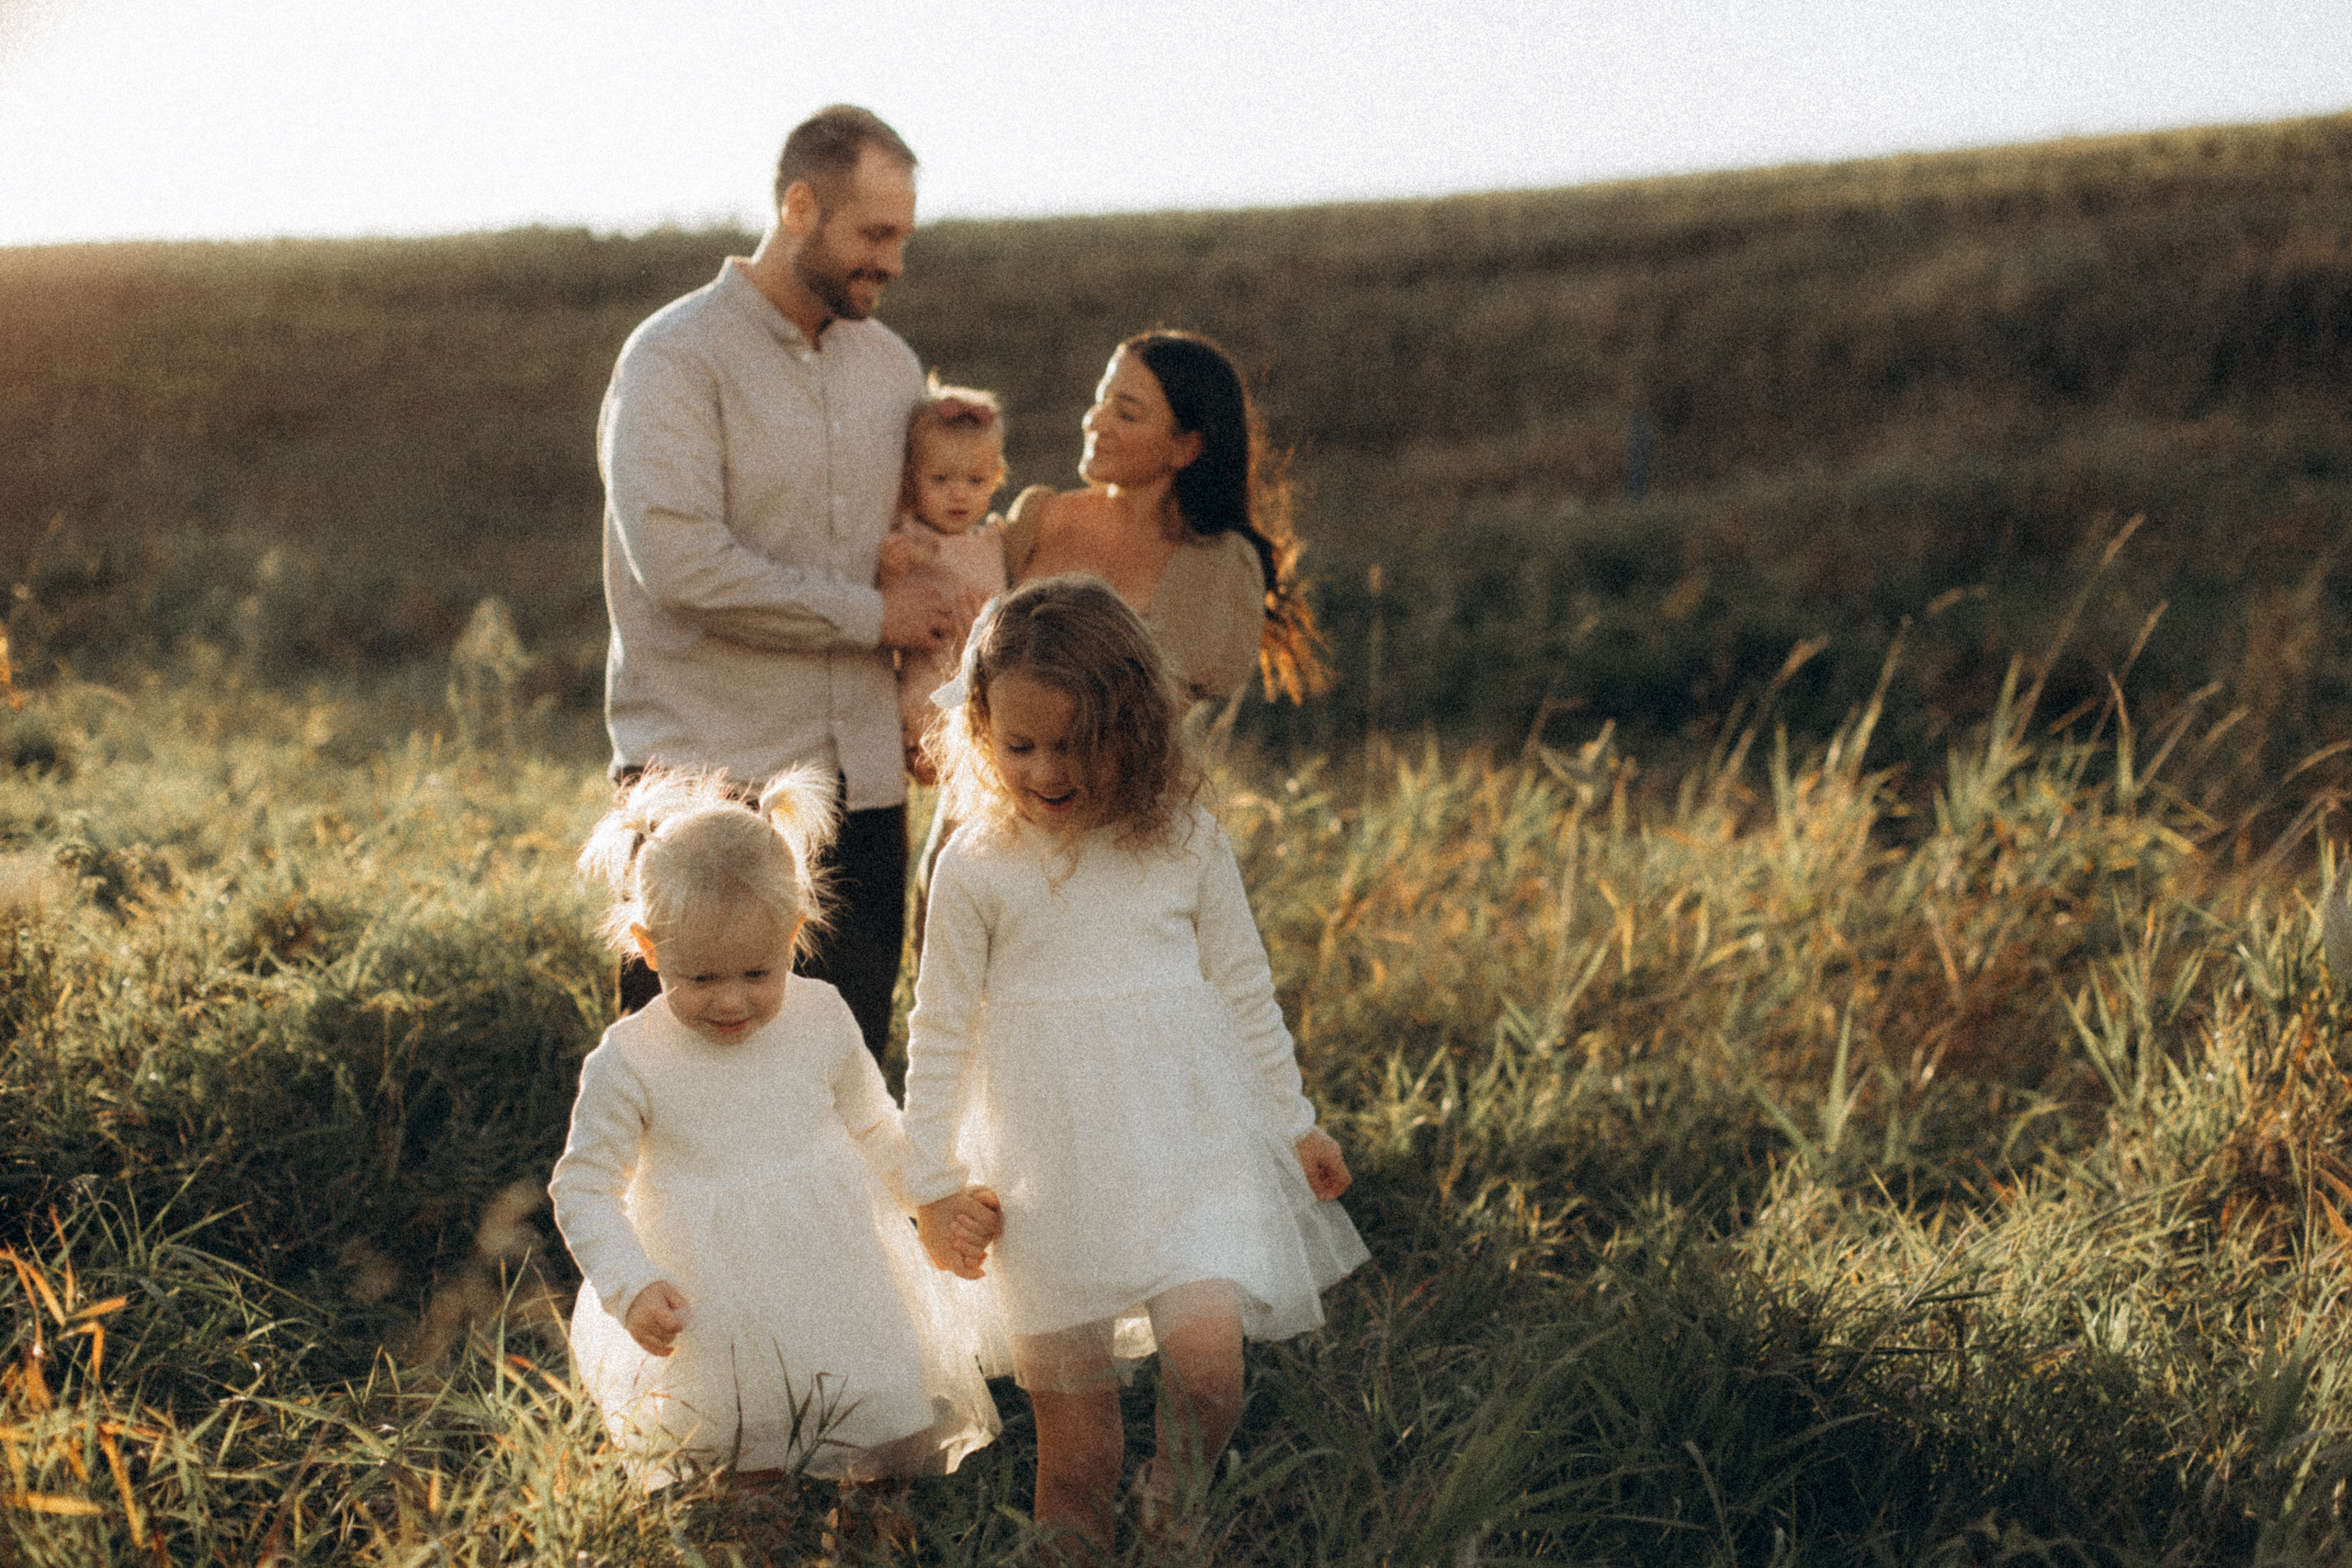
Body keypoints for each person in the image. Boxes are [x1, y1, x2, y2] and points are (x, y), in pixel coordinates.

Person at [899, 576, 1368, 1560]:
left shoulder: (1184, 841)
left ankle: (1174, 1497)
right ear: (982, 732)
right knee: (1075, 1448)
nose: (1046, 770)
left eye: (1074, 743)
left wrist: (1297, 1124)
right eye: (1018, 745)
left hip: (1184, 1152)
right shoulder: (977, 863)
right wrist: (933, 1184)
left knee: (1209, 1366)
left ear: (1135, 727)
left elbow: (1244, 989)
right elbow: (937, 1032)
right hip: (1046, 1177)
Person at [598, 104, 957, 1056]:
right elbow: (680, 566)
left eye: (902, 238)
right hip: (712, 789)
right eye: (874, 233)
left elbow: (925, 545)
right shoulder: (675, 358)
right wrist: (871, 613)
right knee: (684, 1094)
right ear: (799, 205)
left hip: (864, 796)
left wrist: (928, 688)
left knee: (842, 1086)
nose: (892, 260)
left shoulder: (893, 369)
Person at [549, 764, 1004, 1493]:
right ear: (649, 946)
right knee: (744, 1454)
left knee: (893, 1426)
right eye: (700, 979)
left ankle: (869, 1528)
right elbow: (584, 1187)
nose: (732, 1000)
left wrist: (935, 1195)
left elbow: (876, 1124)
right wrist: (630, 1283)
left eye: (758, 972)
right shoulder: (630, 1058)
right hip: (709, 1290)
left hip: (836, 1263)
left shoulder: (819, 1013)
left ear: (795, 932)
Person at [1003, 330, 1330, 707]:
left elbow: (1158, 717)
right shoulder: (1039, 516)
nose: (1095, 421)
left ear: (1185, 447)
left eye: (1126, 414)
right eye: (1100, 400)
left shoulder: (1219, 564)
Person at [876, 381, 1011, 784]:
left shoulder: (993, 540)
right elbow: (888, 609)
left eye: (975, 481)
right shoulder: (913, 542)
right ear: (910, 480)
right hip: (930, 698)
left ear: (997, 478)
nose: (959, 495)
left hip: (989, 698)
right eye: (940, 480)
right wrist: (890, 571)